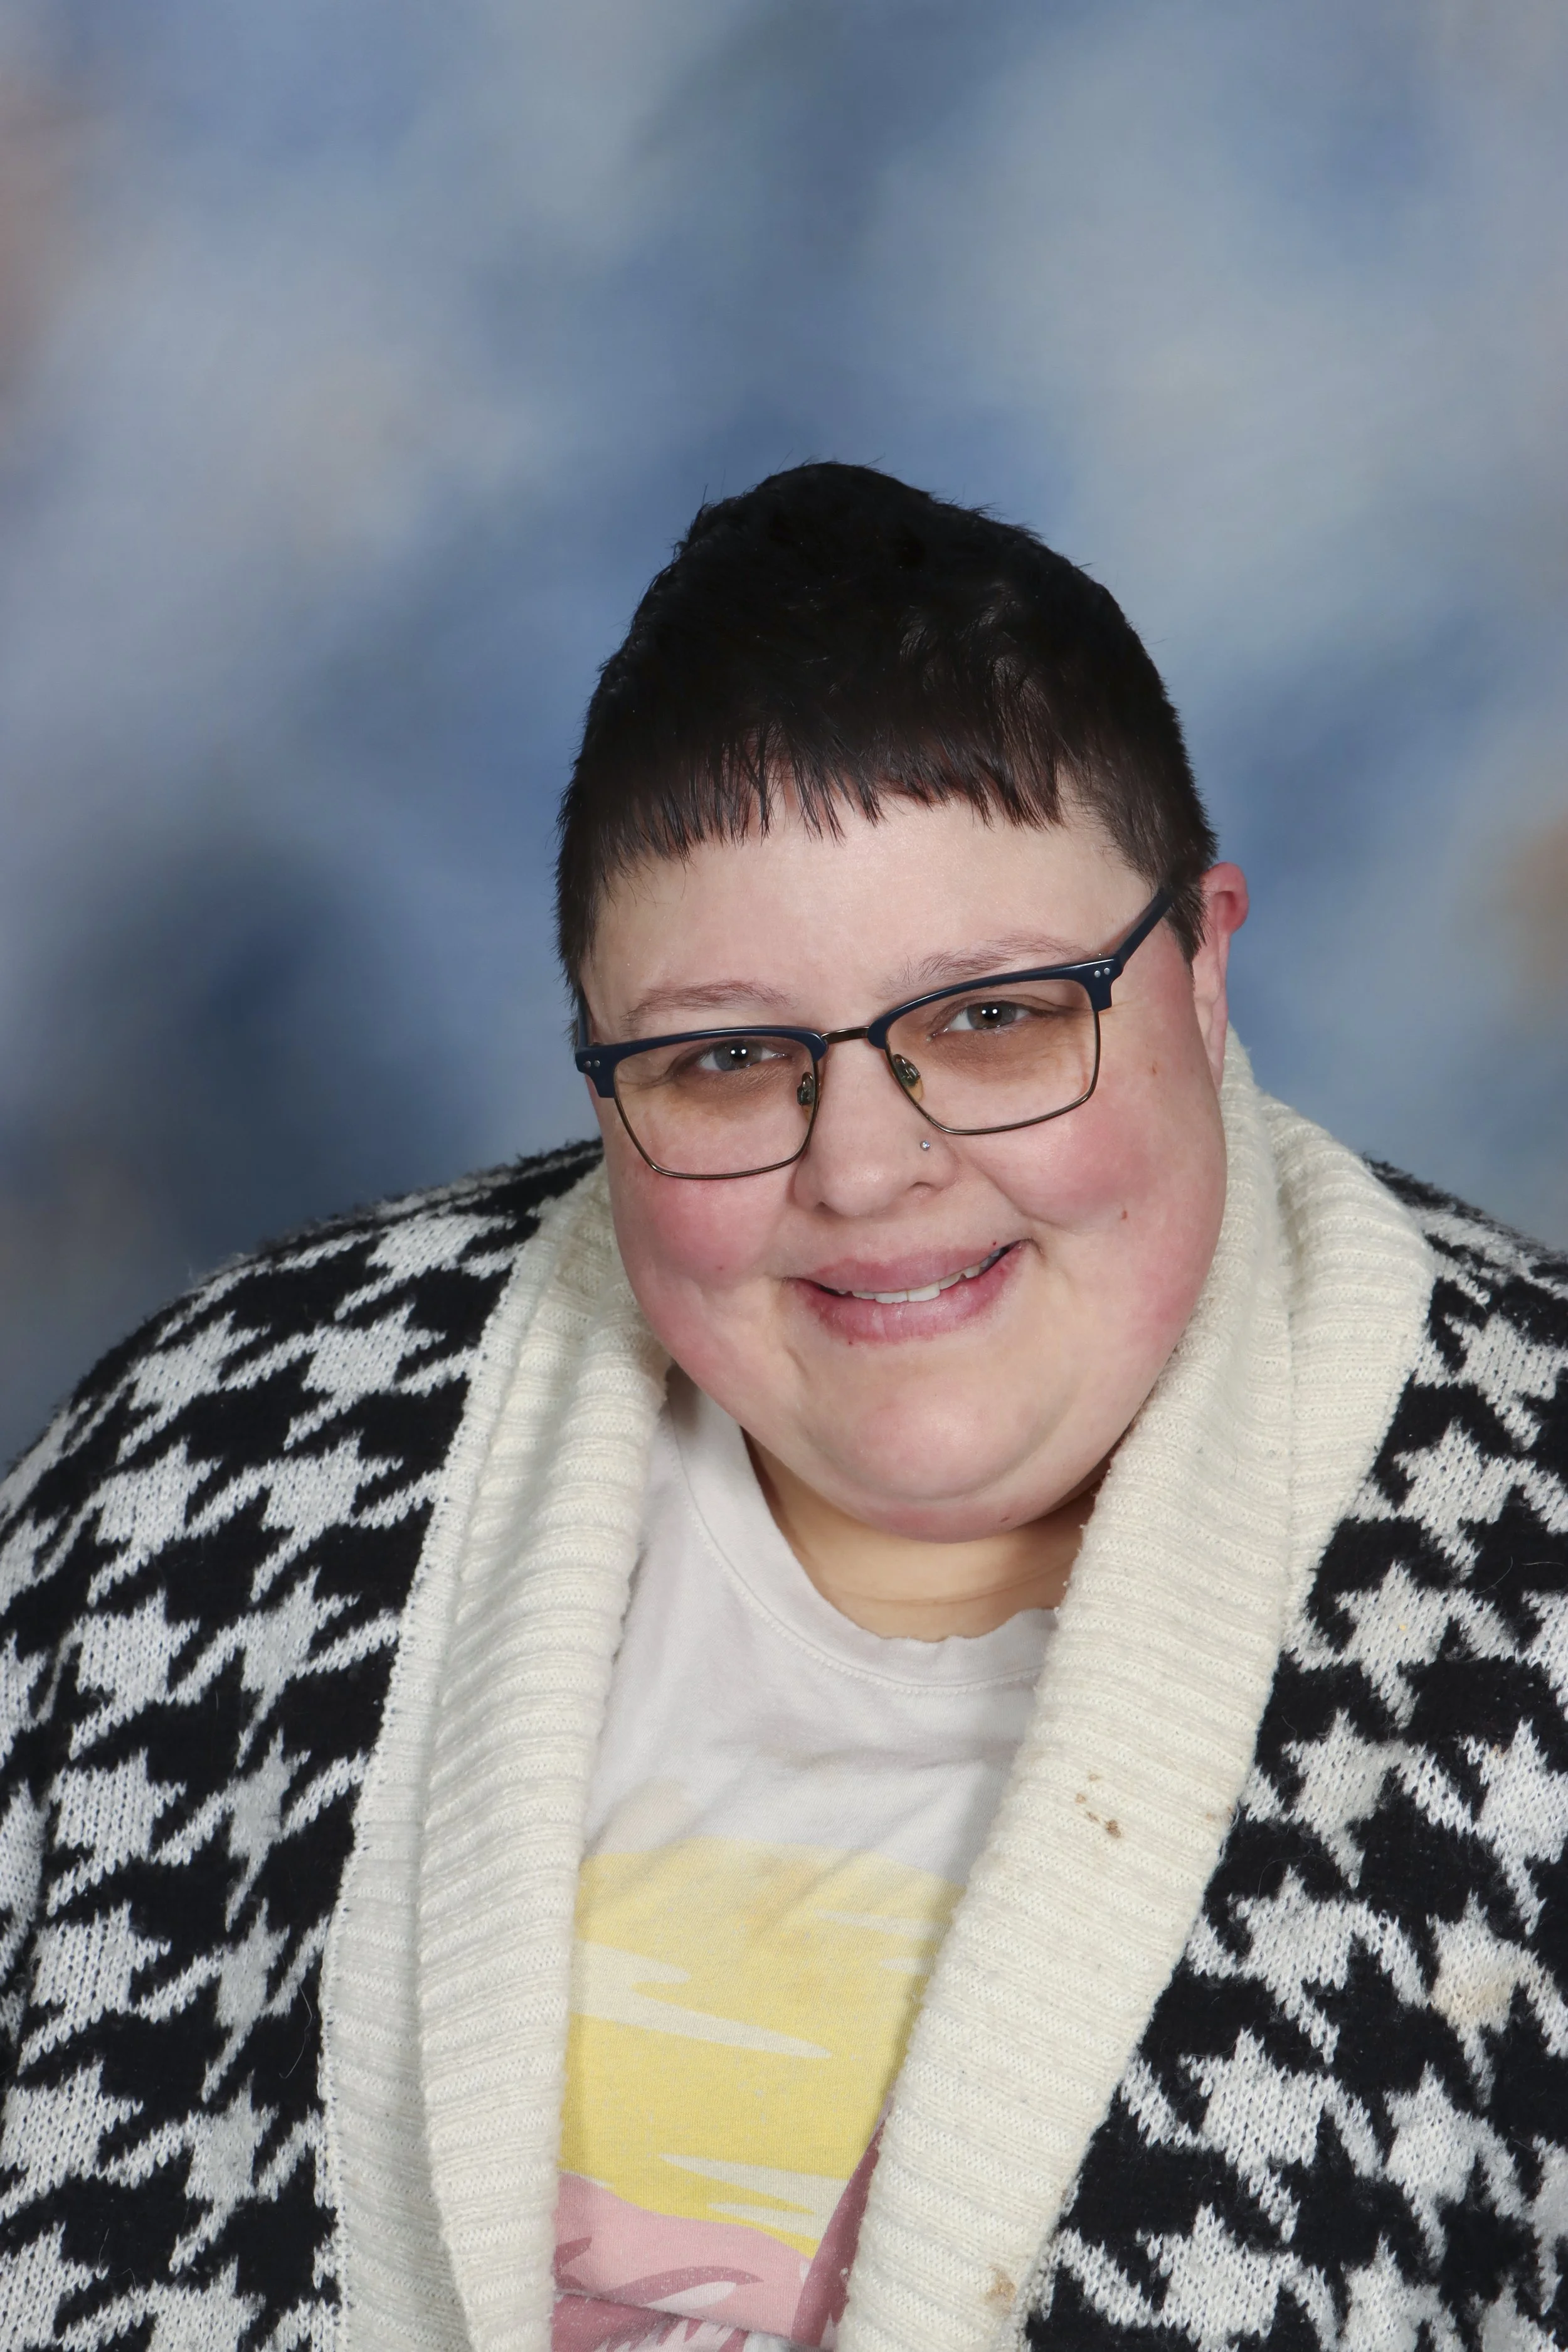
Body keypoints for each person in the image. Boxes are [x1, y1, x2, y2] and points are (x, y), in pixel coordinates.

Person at [0, 464, 1564, 2352]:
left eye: (995, 1016)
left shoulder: (1526, 1566)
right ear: (597, 1061)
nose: (867, 1167)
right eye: (728, 1058)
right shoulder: (200, 1484)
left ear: (1203, 966)